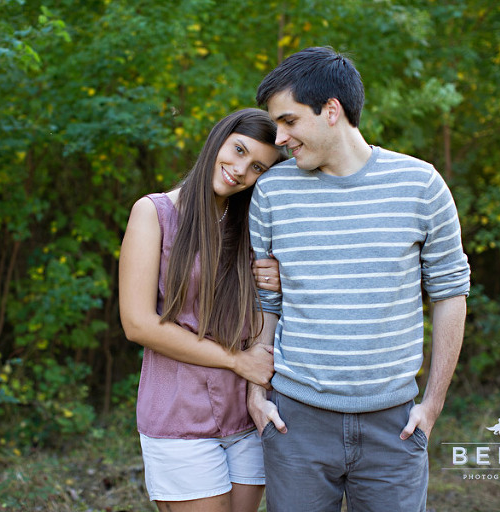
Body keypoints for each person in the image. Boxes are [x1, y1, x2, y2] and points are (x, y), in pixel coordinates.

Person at [247, 47, 471, 511]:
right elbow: (266, 301)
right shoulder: (272, 191)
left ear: (331, 110)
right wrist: (256, 395)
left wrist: (431, 407)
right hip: (296, 425)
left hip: (394, 427)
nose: (281, 138)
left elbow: (450, 293)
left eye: (289, 121)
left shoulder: (421, 185)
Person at [119, 108, 287, 512]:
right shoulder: (154, 214)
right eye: (239, 150)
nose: (240, 169)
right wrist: (238, 362)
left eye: (258, 167)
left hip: (247, 414)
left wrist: (280, 279)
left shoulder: (251, 225)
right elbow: (138, 324)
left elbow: (267, 306)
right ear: (220, 137)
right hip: (180, 417)